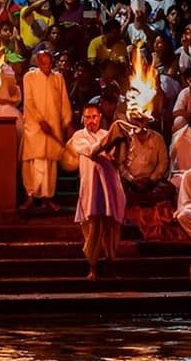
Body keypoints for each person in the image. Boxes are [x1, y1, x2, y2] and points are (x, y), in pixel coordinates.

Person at [72, 104, 126, 280]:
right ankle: (93, 268)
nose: (91, 121)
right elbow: (91, 151)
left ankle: (112, 265)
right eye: (87, 117)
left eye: (94, 117)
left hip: (110, 188)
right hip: (91, 190)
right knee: (92, 231)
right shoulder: (79, 136)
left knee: (111, 230)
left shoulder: (106, 134)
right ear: (83, 119)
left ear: (100, 117)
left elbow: (118, 159)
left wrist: (119, 141)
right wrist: (111, 138)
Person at [20, 50, 72, 211]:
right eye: (43, 63)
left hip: (53, 125)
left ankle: (47, 197)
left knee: (50, 162)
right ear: (37, 62)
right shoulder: (29, 77)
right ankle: (30, 195)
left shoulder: (58, 78)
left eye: (49, 63)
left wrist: (67, 122)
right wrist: (40, 120)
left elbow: (64, 101)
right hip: (34, 126)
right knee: (33, 161)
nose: (47, 66)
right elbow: (28, 101)